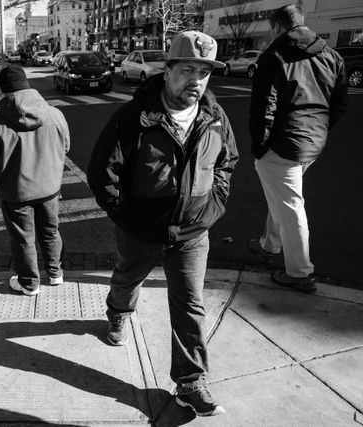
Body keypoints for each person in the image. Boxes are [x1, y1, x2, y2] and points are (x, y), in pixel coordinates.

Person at [87, 31, 238, 417]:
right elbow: (103, 173)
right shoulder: (132, 118)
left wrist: (213, 206)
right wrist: (126, 216)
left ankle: (190, 383)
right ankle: (118, 313)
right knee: (127, 279)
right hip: (142, 231)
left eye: (204, 73)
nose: (196, 81)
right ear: (167, 71)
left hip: (191, 233)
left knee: (190, 304)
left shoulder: (215, 118)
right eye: (188, 69)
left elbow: (226, 164)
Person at [248, 4, 347, 293]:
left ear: (278, 26)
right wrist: (318, 131)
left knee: (290, 205)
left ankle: (300, 272)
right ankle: (269, 244)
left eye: (271, 29)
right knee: (283, 193)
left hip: (284, 142)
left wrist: (260, 146)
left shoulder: (275, 55)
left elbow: (263, 107)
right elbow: (339, 104)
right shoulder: (333, 55)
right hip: (313, 142)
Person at [0, 65, 70, 296]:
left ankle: (29, 283)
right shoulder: (55, 114)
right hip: (49, 188)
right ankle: (55, 273)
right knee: (50, 231)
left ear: (2, 89)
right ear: (27, 85)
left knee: (23, 238)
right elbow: (66, 147)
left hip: (17, 193)